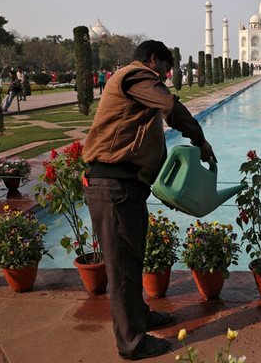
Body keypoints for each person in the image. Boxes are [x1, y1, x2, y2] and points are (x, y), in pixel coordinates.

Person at [82, 40, 216, 361]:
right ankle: (132, 343)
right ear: (152, 60)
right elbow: (170, 107)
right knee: (122, 267)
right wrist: (200, 139)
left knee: (132, 258)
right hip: (112, 184)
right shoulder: (136, 76)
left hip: (126, 185)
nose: (167, 76)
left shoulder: (136, 85)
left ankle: (139, 317)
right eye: (166, 69)